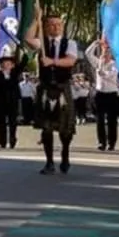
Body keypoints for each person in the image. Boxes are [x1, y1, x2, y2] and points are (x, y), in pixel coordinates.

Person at [25, 10, 78, 174]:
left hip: (63, 86)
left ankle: (65, 155)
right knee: (46, 128)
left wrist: (52, 61)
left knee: (66, 129)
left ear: (62, 26)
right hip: (46, 87)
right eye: (51, 24)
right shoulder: (42, 42)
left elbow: (71, 60)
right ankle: (49, 162)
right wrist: (36, 19)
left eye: (58, 24)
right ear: (46, 27)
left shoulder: (70, 43)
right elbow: (27, 39)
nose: (55, 27)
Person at [85, 39, 119, 151]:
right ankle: (102, 142)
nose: (106, 53)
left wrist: (103, 73)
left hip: (111, 94)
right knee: (99, 119)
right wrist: (96, 43)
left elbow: (112, 74)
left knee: (112, 119)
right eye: (105, 51)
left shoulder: (115, 64)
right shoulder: (98, 62)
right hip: (100, 93)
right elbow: (88, 53)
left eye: (109, 51)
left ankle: (112, 142)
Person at [0, 48, 27, 148]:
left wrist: (25, 54)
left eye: (8, 62)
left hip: (13, 100)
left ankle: (12, 140)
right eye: (4, 63)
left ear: (11, 64)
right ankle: (2, 141)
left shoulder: (14, 73)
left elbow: (22, 65)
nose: (6, 64)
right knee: (2, 122)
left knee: (13, 122)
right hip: (1, 101)